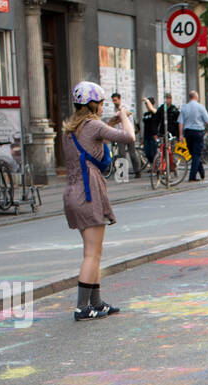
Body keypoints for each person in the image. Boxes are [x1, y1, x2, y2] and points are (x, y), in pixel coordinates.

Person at [62, 81, 135, 321]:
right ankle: (83, 307)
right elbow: (129, 137)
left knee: (93, 251)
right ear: (94, 103)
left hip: (73, 192)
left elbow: (95, 135)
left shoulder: (71, 129)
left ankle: (95, 302)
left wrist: (111, 121)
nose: (104, 106)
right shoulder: (93, 126)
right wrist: (124, 115)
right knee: (92, 254)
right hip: (88, 191)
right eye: (102, 102)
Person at [179, 90, 208, 181]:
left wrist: (180, 134)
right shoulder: (200, 107)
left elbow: (180, 122)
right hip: (198, 132)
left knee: (193, 154)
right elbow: (207, 120)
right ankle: (192, 176)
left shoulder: (184, 108)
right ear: (196, 97)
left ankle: (202, 172)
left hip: (187, 132)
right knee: (196, 154)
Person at [106, 93, 140, 177]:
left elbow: (127, 114)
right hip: (120, 134)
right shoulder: (115, 109)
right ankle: (123, 172)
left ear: (119, 99)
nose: (114, 102)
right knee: (121, 153)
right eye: (113, 100)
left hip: (129, 133)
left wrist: (113, 121)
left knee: (132, 153)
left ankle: (137, 171)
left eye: (115, 100)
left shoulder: (124, 107)